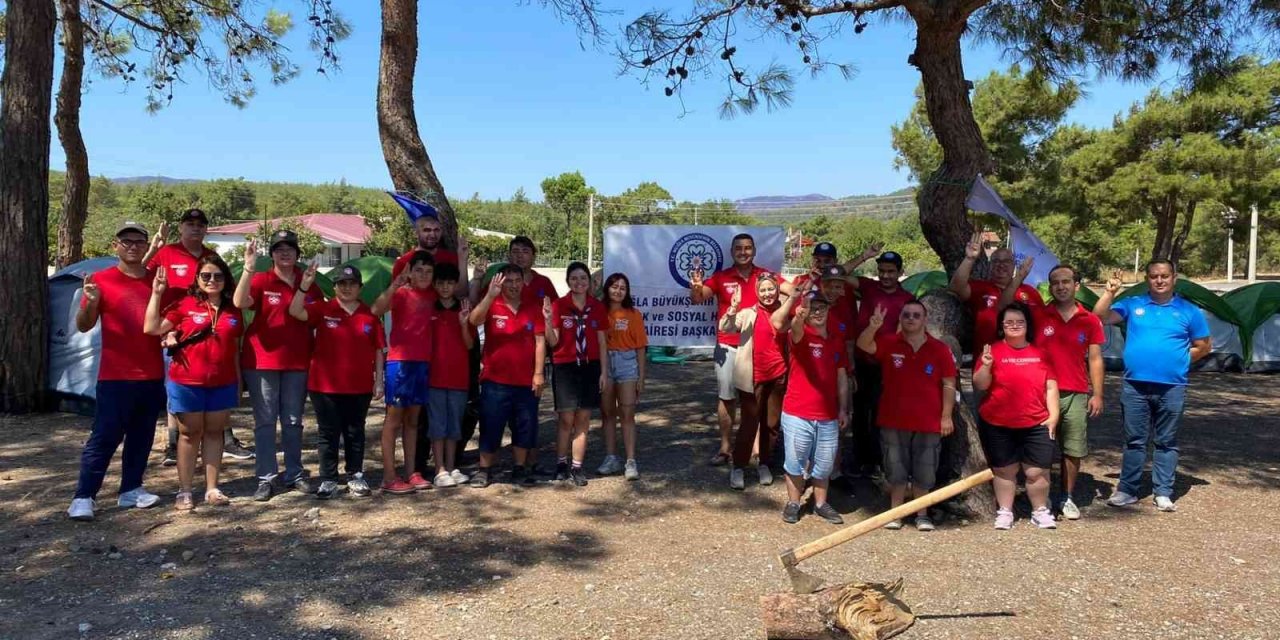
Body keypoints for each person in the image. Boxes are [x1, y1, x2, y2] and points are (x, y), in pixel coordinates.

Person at [67, 223, 168, 521]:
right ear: (116, 246)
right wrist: (91, 303)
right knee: (105, 436)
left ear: (146, 245)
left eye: (139, 241)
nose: (133, 246)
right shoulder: (100, 280)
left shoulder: (156, 281)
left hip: (151, 374)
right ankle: (84, 496)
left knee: (142, 436)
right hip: (115, 375)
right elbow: (84, 325)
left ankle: (131, 489)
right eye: (127, 241)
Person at [1094, 261, 1210, 512]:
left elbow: (1203, 346)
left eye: (1164, 276)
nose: (1159, 281)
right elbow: (1099, 317)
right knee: (1134, 441)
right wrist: (1110, 292)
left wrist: (1178, 360)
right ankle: (1127, 490)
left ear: (1174, 278)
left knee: (1166, 441)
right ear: (1147, 279)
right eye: (1154, 276)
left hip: (1172, 386)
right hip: (1135, 385)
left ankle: (1163, 492)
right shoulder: (1133, 304)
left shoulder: (1189, 311)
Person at [144, 209, 254, 464]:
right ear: (180, 227)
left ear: (206, 229)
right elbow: (142, 275)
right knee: (179, 390)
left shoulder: (210, 256)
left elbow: (230, 291)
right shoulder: (166, 253)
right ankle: (174, 443)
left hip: (211, 328)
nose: (195, 228)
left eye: (200, 225)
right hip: (173, 332)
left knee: (217, 387)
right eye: (190, 224)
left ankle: (225, 439)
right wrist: (153, 248)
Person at [1000, 261, 1104, 520]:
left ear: (1076, 286)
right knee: (1041, 447)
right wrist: (1019, 277)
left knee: (1072, 448)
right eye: (1055, 283)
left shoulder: (1089, 320)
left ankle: (1066, 497)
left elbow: (1095, 359)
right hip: (1041, 392)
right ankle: (1041, 498)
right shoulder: (1037, 314)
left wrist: (1098, 393)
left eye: (1066, 282)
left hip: (1076, 392)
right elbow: (1004, 308)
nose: (1060, 287)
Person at [144, 254, 244, 511]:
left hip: (222, 382)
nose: (212, 280)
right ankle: (185, 490)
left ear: (226, 279)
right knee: (189, 434)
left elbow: (234, 348)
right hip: (186, 381)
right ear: (197, 279)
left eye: (218, 276)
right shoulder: (184, 304)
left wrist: (239, 382)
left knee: (214, 432)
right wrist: (157, 294)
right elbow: (152, 328)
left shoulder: (233, 309)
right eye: (206, 276)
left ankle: (212, 488)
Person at [234, 231, 322, 501]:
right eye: (279, 249)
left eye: (290, 249)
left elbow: (316, 317)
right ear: (271, 254)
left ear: (297, 253)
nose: (285, 253)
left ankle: (294, 473)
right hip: (262, 361)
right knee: (265, 421)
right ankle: (266, 477)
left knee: (294, 421)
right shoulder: (262, 279)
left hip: (297, 361)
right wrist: (249, 268)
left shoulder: (309, 281)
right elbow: (239, 302)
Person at [856, 300, 957, 531]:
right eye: (907, 315)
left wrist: (946, 415)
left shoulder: (939, 349)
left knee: (925, 468)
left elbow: (949, 383)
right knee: (895, 468)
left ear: (925, 319)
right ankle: (896, 513)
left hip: (929, 421)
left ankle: (922, 514)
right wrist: (873, 326)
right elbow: (864, 345)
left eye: (916, 315)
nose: (911, 318)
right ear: (901, 319)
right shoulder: (890, 342)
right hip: (893, 418)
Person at [288, 264, 385, 499]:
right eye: (342, 284)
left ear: (360, 287)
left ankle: (355, 475)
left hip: (359, 386)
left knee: (355, 432)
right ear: (334, 287)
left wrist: (379, 381)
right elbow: (295, 312)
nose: (347, 288)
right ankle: (329, 479)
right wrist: (304, 287)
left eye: (352, 284)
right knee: (328, 433)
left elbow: (379, 349)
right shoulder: (322, 309)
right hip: (324, 386)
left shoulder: (369, 315)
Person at [973, 302, 1060, 530]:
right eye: (1009, 322)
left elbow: (1051, 387)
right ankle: (1005, 511)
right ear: (1002, 326)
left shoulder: (1041, 353)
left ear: (1027, 325)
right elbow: (981, 385)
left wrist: (1053, 416)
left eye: (1019, 322)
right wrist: (986, 366)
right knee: (1004, 470)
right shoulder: (991, 351)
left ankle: (1040, 510)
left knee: (1037, 471)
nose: (1014, 326)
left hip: (1036, 421)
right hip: (998, 422)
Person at [770, 289, 849, 525]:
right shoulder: (801, 334)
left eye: (821, 308)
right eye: (813, 308)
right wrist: (799, 317)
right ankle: (794, 502)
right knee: (795, 462)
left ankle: (821, 503)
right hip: (798, 412)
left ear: (828, 310)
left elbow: (842, 376)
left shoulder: (836, 339)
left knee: (824, 464)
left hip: (828, 415)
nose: (817, 312)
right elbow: (793, 329)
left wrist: (843, 408)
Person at [689, 233, 768, 467]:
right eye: (738, 248)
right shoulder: (722, 277)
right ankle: (725, 448)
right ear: (732, 251)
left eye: (747, 248)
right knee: (726, 398)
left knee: (755, 400)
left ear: (754, 250)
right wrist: (695, 287)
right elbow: (698, 298)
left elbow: (789, 290)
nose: (743, 252)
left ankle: (755, 449)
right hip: (727, 345)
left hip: (756, 347)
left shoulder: (764, 276)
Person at [468, 264, 547, 489]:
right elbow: (473, 321)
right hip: (495, 381)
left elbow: (540, 341)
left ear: (523, 282)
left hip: (526, 381)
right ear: (501, 283)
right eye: (508, 281)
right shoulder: (493, 303)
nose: (513, 285)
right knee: (491, 425)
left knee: (524, 426)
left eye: (517, 281)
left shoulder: (532, 307)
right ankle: (484, 470)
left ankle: (519, 469)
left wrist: (538, 373)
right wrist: (489, 296)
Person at [371, 251, 437, 494]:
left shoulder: (433, 295)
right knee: (393, 420)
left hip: (422, 364)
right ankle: (389, 476)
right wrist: (395, 284)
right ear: (409, 271)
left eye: (428, 271)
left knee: (413, 421)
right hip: (400, 364)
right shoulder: (399, 292)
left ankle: (412, 472)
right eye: (418, 270)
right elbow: (376, 310)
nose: (423, 275)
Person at [849, 250, 916, 479]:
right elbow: (838, 273)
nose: (886, 276)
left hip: (886, 364)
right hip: (861, 360)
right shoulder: (868, 287)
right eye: (882, 271)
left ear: (900, 272)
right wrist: (863, 256)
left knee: (880, 412)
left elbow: (906, 331)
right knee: (859, 412)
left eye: (891, 271)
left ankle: (878, 461)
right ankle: (859, 460)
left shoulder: (907, 298)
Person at [545, 262, 609, 487]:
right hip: (565, 366)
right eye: (574, 278)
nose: (579, 282)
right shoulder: (558, 306)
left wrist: (604, 371)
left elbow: (602, 340)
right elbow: (552, 341)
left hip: (590, 366)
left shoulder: (597, 307)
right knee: (565, 419)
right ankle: (561, 464)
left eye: (583, 278)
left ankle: (577, 467)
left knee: (583, 419)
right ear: (568, 281)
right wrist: (546, 320)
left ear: (589, 282)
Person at [719, 272, 784, 490]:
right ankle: (738, 466)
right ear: (757, 292)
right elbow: (725, 327)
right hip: (753, 377)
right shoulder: (747, 313)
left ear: (777, 290)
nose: (767, 294)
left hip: (779, 375)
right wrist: (733, 307)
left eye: (771, 289)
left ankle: (763, 462)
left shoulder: (784, 312)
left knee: (772, 424)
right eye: (763, 290)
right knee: (749, 423)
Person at [949, 231, 1044, 357]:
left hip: (1024, 359)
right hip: (987, 359)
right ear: (990, 266)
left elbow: (1043, 324)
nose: (1001, 265)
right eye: (996, 261)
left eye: (1006, 261)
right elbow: (955, 288)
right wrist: (969, 258)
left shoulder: (1030, 292)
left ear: (1014, 265)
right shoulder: (981, 288)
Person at [427, 263, 475, 488]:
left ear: (456, 285)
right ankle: (439, 469)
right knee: (438, 424)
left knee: (454, 424)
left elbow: (469, 344)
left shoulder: (463, 309)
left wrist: (464, 324)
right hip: (434, 377)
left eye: (449, 283)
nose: (445, 287)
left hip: (458, 377)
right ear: (435, 285)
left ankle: (451, 465)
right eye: (441, 283)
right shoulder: (429, 309)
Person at [599, 273, 647, 480]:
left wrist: (641, 377)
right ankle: (611, 458)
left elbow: (640, 348)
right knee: (607, 413)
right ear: (607, 288)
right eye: (614, 286)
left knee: (627, 413)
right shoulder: (598, 312)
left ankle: (630, 460)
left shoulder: (633, 314)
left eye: (622, 288)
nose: (617, 291)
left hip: (627, 364)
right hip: (604, 363)